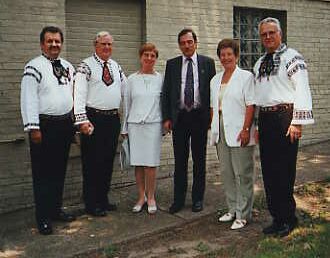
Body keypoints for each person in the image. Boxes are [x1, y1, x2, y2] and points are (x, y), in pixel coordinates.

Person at [254, 17, 314, 237]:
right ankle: (276, 217)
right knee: (269, 171)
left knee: (284, 170)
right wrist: (258, 126)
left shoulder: (292, 57)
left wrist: (297, 121)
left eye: (272, 33)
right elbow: (258, 96)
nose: (268, 37)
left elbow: (302, 89)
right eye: (264, 34)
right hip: (267, 120)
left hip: (285, 117)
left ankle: (288, 218)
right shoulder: (259, 63)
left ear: (280, 34)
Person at [20, 26, 76, 235]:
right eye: (50, 41)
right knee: (43, 174)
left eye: (57, 41)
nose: (54, 44)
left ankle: (55, 210)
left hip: (64, 125)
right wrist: (33, 128)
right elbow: (28, 99)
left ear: (62, 43)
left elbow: (73, 93)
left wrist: (74, 124)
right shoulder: (33, 67)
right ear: (42, 44)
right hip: (43, 127)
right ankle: (43, 217)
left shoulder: (68, 66)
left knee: (59, 171)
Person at [162, 28, 216, 214]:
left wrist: (212, 117)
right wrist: (167, 118)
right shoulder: (172, 64)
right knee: (180, 161)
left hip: (199, 118)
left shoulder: (207, 64)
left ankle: (197, 199)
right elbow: (167, 93)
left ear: (195, 42)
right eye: (183, 43)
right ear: (179, 45)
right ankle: (178, 200)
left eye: (189, 42)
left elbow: (212, 93)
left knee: (199, 160)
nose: (186, 45)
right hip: (180, 118)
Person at [74, 31, 127, 217]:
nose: (106, 47)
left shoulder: (116, 66)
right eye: (103, 44)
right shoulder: (85, 66)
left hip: (112, 119)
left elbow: (125, 91)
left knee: (106, 161)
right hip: (93, 119)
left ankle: (103, 199)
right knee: (91, 162)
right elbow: (78, 93)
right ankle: (91, 203)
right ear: (95, 45)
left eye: (109, 44)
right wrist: (81, 120)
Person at [209, 39, 256, 230]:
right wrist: (213, 127)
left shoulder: (246, 77)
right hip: (220, 128)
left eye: (229, 54)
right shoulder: (215, 79)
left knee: (243, 173)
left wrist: (246, 129)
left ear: (236, 55)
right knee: (227, 173)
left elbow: (251, 105)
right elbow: (213, 106)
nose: (225, 57)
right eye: (222, 54)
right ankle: (232, 209)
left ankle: (243, 214)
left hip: (239, 128)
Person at [121, 43, 163, 214]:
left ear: (155, 58)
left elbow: (163, 104)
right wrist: (124, 128)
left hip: (153, 125)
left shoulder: (161, 79)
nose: (149, 58)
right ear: (140, 57)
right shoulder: (131, 80)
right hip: (135, 125)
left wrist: (165, 125)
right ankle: (141, 197)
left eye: (152, 55)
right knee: (138, 164)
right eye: (146, 54)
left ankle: (151, 196)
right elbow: (127, 105)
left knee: (150, 165)